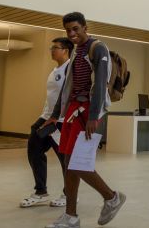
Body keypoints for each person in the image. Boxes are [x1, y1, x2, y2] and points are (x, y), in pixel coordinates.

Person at [43, 12, 128, 228]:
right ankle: (71, 216)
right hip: (73, 109)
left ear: (85, 27)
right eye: (68, 30)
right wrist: (54, 115)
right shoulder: (76, 52)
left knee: (77, 162)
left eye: (75, 29)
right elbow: (67, 86)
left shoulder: (97, 48)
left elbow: (100, 84)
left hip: (88, 110)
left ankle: (111, 197)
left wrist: (92, 116)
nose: (72, 34)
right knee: (67, 161)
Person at [21, 37, 72, 208]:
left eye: (55, 47)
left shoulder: (70, 70)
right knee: (34, 148)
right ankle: (41, 192)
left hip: (62, 121)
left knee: (65, 159)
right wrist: (43, 116)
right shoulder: (54, 71)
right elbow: (50, 97)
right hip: (47, 117)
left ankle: (69, 194)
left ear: (65, 50)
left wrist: (59, 118)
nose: (52, 50)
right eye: (52, 47)